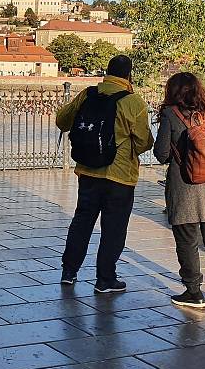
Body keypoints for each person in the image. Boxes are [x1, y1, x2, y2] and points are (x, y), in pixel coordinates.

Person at [57, 55, 154, 293]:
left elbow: (62, 121)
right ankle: (105, 279)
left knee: (82, 222)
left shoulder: (88, 94)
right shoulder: (134, 102)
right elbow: (144, 141)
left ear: (106, 72)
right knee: (114, 228)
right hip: (120, 176)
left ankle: (69, 271)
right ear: (129, 75)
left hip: (88, 172)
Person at [153, 72, 205, 308]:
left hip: (186, 187)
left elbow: (162, 154)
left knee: (187, 241)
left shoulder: (171, 114)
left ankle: (193, 291)